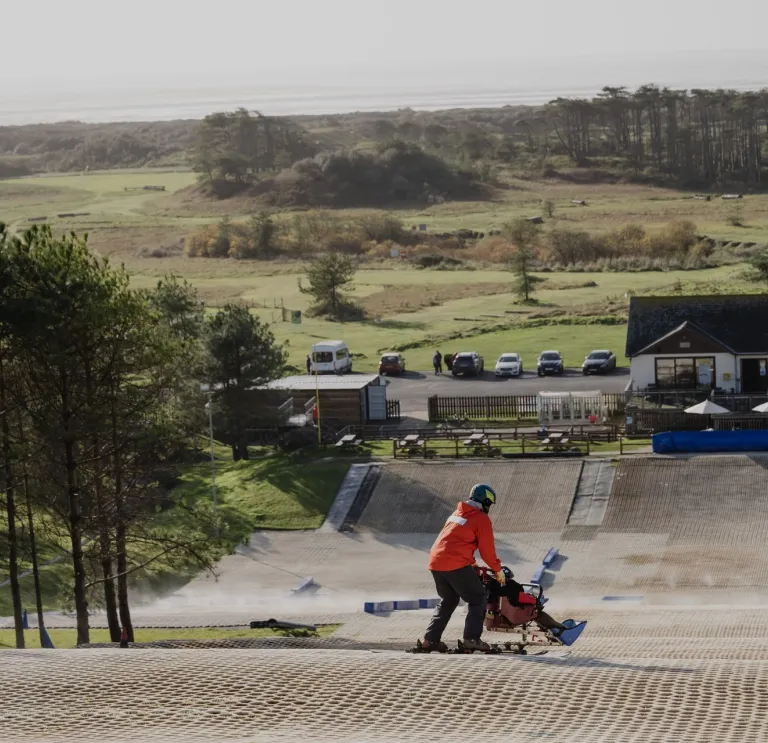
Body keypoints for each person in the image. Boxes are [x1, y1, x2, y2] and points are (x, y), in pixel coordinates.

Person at [419, 483, 504, 652]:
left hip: (436, 562)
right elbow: (487, 551)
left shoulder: (456, 514)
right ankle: (471, 639)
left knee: (449, 599)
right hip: (454, 563)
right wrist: (498, 570)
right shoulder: (481, 518)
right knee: (478, 597)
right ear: (486, 502)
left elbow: (452, 541)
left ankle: (430, 640)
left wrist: (471, 563)